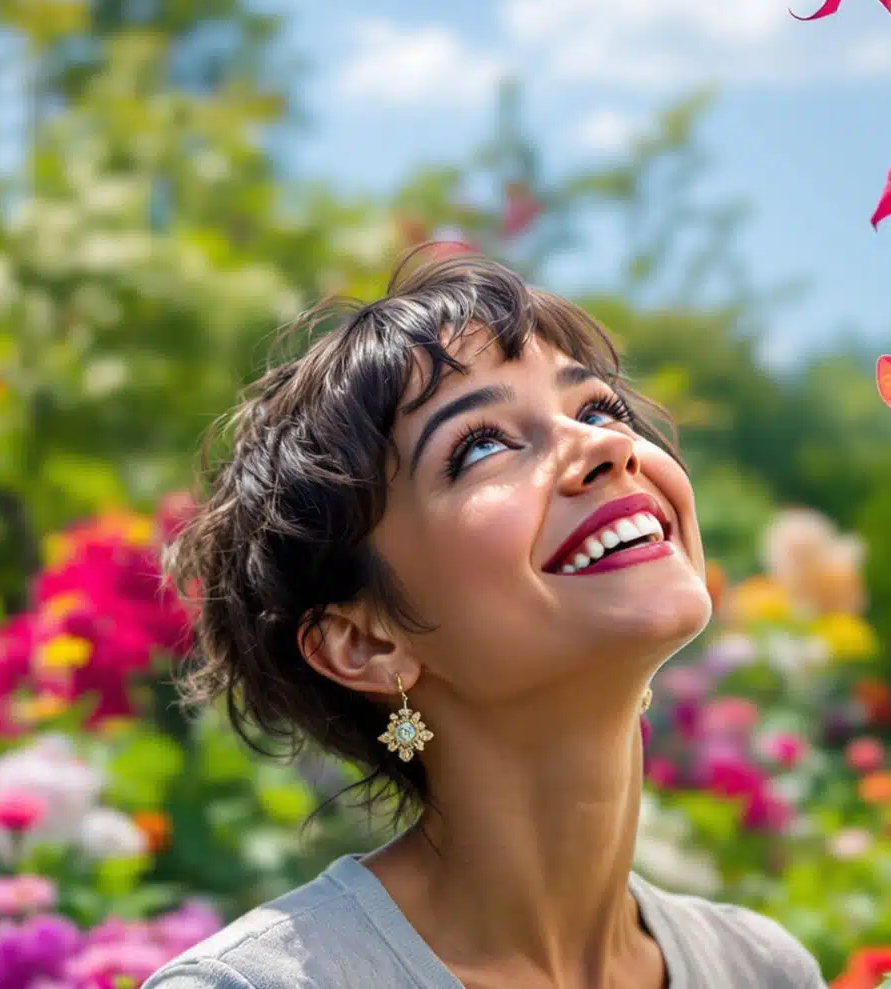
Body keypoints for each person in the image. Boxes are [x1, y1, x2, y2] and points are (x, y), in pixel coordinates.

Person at [144, 254, 823, 988]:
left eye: (599, 408)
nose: (606, 445)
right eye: (482, 445)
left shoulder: (763, 970)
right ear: (365, 641)